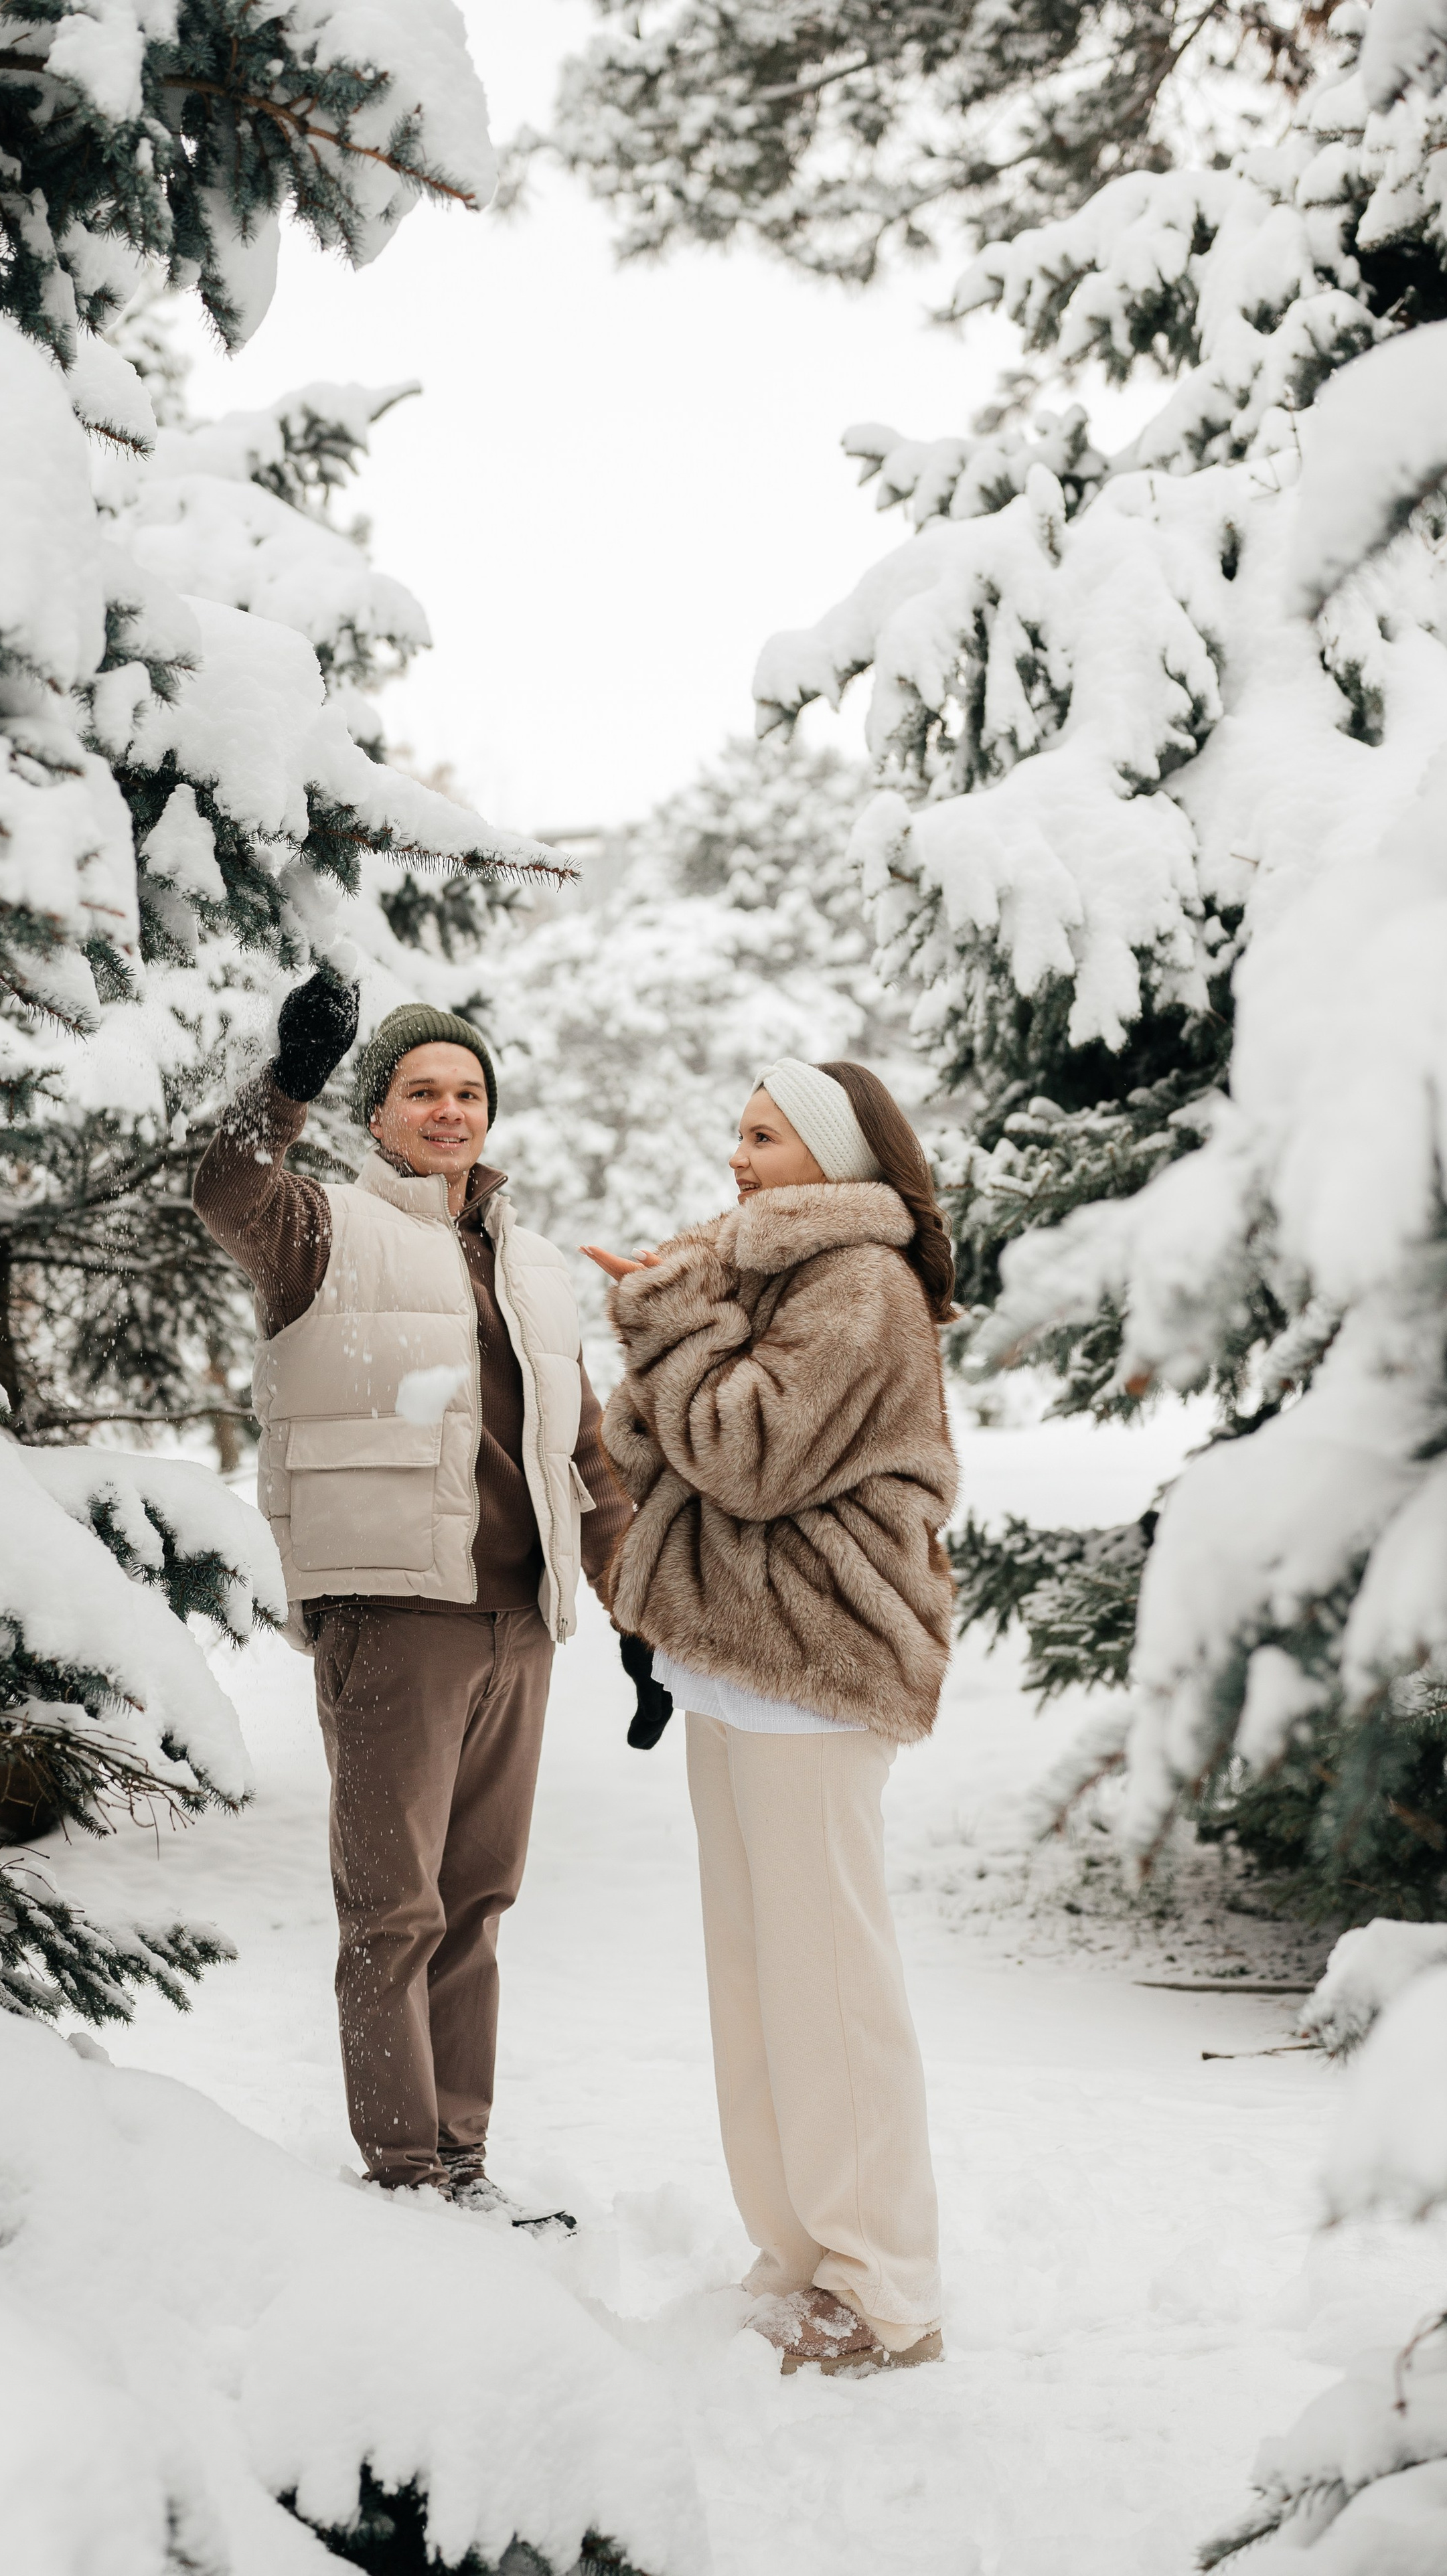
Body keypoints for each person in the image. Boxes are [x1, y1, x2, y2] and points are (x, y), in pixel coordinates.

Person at [195, 972, 631, 2219]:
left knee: (480, 1905)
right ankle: (403, 2176)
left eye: (470, 1092)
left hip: (518, 1624)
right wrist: (287, 1082)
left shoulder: (534, 1263)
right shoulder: (320, 1229)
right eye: (422, 1091)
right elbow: (221, 1189)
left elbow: (583, 1452)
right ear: (377, 1115)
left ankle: (462, 2162)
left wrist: (635, 1603)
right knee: (393, 1908)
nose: (450, 1111)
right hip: (394, 1615)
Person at [584, 1058, 957, 2374]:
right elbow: (653, 1439)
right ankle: (797, 2251)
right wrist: (669, 1327)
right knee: (754, 1981)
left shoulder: (856, 1278)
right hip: (735, 1663)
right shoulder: (760, 1273)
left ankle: (885, 2290)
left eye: (761, 1134)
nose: (734, 1154)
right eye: (733, 1131)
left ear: (829, 1152)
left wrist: (670, 1316)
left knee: (831, 1986)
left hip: (819, 1665)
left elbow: (746, 1454)